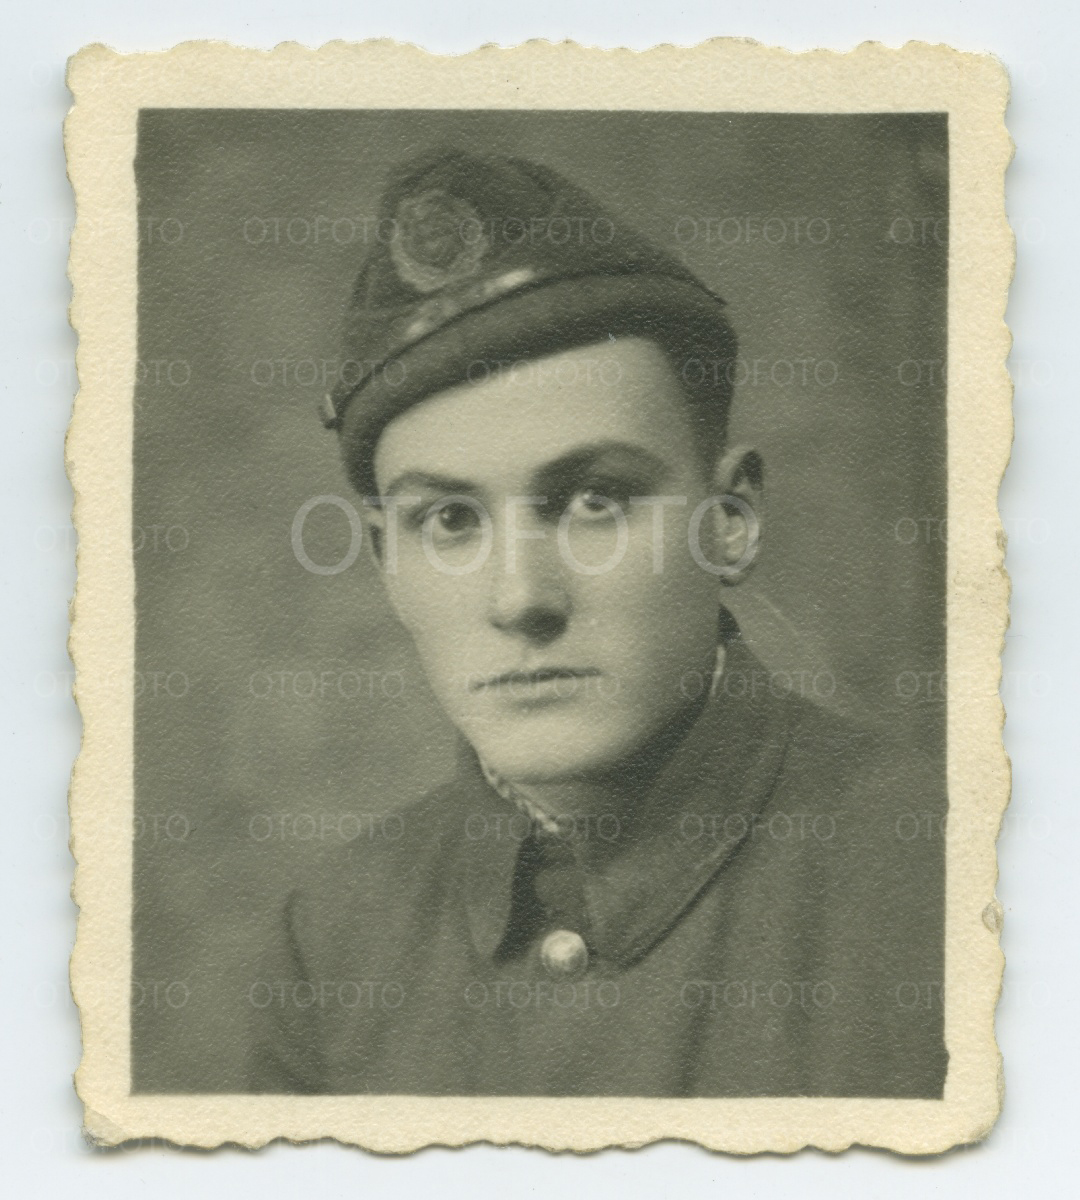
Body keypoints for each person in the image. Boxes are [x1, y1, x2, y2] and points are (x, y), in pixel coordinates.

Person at [248, 148, 946, 1097]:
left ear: (729, 522)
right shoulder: (333, 943)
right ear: (387, 565)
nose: (520, 599)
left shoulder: (958, 875)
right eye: (448, 521)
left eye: (594, 500)